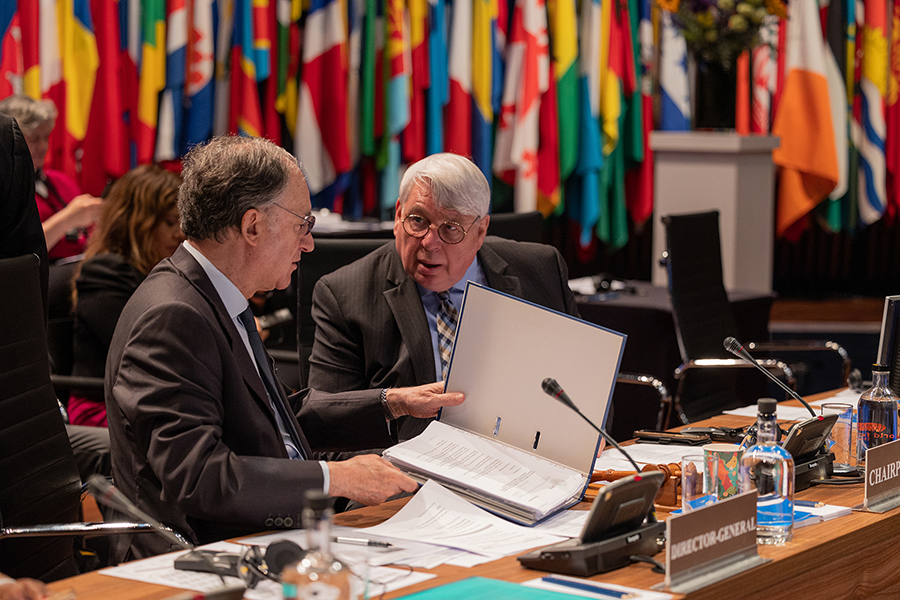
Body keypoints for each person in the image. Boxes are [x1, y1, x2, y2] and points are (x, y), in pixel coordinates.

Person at [105, 136, 464, 561]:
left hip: (263, 534)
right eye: (302, 225)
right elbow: (197, 476)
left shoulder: (215, 295)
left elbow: (271, 420)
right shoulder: (174, 316)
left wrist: (392, 403)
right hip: (202, 556)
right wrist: (335, 478)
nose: (309, 244)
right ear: (253, 226)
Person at [308, 153, 579, 441]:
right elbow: (327, 432)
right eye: (418, 220)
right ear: (398, 214)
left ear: (481, 231)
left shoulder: (540, 268)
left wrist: (579, 439)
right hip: (410, 474)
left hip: (520, 462)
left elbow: (583, 384)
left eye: (451, 228)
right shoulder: (344, 294)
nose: (429, 242)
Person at [68, 165, 184, 427]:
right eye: (169, 222)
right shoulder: (105, 272)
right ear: (136, 223)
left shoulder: (166, 271)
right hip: (103, 406)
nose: (181, 233)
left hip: (149, 399)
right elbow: (146, 347)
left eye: (182, 222)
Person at [0, 95, 102, 261]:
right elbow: (17, 253)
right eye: (34, 139)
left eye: (45, 137)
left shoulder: (60, 181)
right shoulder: (8, 190)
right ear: (10, 140)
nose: (43, 146)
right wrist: (67, 220)